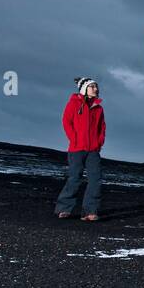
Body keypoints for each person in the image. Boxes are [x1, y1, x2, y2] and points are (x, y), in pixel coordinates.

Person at [55, 77, 106, 221]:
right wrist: (74, 139)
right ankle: (64, 209)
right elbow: (66, 121)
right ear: (84, 89)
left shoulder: (99, 108)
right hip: (76, 149)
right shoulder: (73, 104)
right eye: (92, 87)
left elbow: (102, 127)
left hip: (93, 151)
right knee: (75, 178)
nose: (96, 89)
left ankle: (90, 212)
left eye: (96, 86)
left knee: (95, 179)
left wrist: (99, 143)